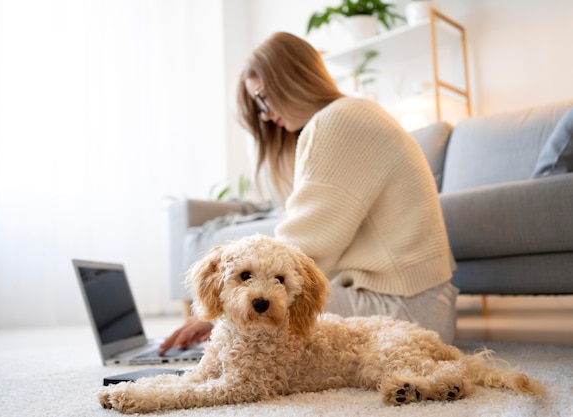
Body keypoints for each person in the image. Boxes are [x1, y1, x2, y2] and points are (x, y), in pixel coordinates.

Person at [160, 31, 458, 353]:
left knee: (246, 316)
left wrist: (217, 309)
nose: (263, 114)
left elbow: (301, 251)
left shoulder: (337, 121)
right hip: (423, 304)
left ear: (289, 79)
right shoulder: (353, 113)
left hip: (404, 311)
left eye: (261, 97)